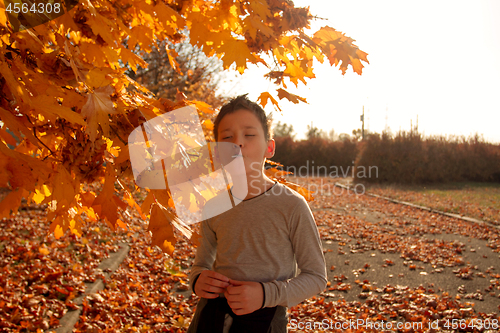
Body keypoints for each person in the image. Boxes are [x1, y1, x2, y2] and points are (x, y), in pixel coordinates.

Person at [188, 95, 327, 333]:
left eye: (249, 135)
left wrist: (265, 295)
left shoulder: (292, 205)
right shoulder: (212, 206)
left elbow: (316, 277)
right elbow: (201, 265)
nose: (238, 143)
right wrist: (198, 280)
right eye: (227, 137)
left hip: (265, 322)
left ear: (269, 148)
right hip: (209, 318)